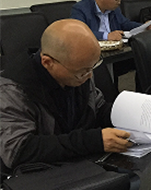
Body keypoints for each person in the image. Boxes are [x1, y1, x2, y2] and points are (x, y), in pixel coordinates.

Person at [0, 19, 133, 171]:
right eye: (83, 71)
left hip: (79, 162)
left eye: (93, 67)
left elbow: (98, 109)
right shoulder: (11, 91)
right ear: (48, 62)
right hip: (41, 175)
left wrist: (133, 112)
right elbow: (18, 151)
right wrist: (92, 141)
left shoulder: (79, 70)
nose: (89, 75)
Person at [71, 0, 151, 41]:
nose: (119, 3)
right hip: (93, 48)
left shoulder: (113, 8)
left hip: (115, 46)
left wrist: (143, 27)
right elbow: (79, 33)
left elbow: (124, 23)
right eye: (116, 0)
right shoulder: (80, 9)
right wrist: (106, 36)